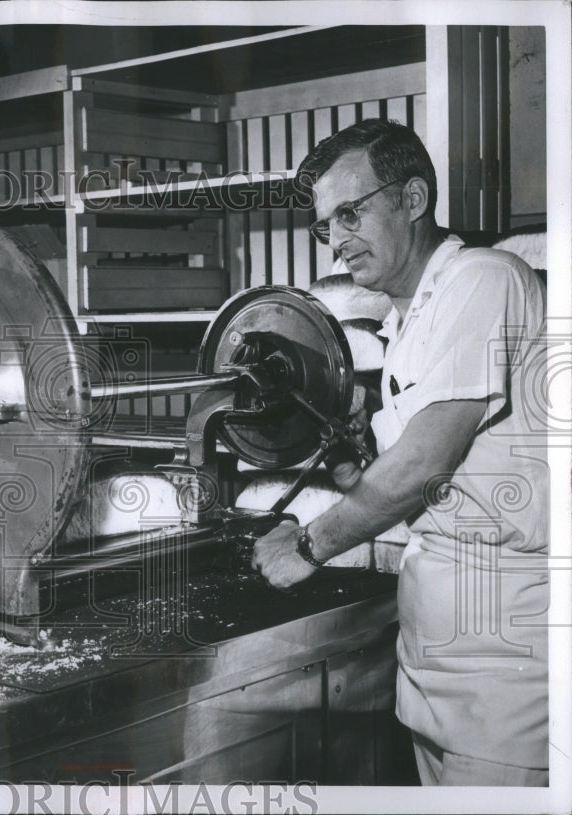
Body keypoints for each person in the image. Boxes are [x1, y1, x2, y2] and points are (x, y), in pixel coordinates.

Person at [251, 119, 548, 786]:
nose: (337, 242)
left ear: (413, 198)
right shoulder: (407, 319)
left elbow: (423, 465)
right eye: (326, 225)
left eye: (350, 213)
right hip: (437, 677)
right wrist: (332, 437)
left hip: (505, 681)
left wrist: (305, 546)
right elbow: (385, 476)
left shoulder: (483, 279)